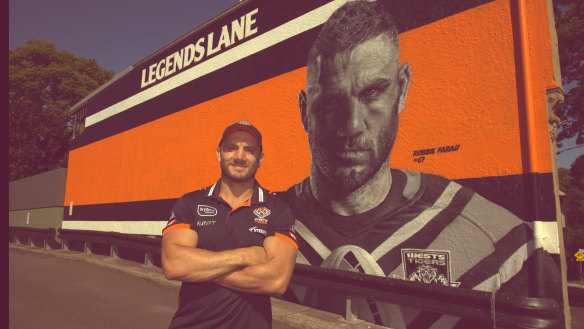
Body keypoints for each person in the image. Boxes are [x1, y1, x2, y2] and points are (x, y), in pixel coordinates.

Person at [280, 1, 562, 328]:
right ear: (304, 110)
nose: (353, 124)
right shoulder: (262, 224)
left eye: (372, 92)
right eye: (330, 101)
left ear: (402, 88)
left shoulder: (499, 244)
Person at [162, 121, 298, 329]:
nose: (240, 156)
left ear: (260, 159)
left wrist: (200, 267)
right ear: (219, 154)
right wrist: (244, 256)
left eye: (249, 150)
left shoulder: (278, 209)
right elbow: (174, 265)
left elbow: (276, 280)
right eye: (231, 147)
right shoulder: (190, 202)